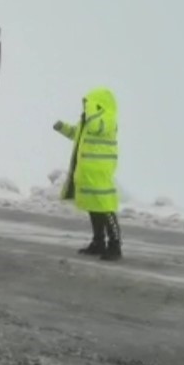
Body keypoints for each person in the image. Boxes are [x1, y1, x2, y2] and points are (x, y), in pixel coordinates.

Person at [53, 87, 122, 260]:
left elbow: (96, 126)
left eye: (87, 103)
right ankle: (98, 242)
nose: (84, 107)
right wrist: (62, 128)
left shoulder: (107, 118)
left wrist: (91, 108)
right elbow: (77, 135)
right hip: (88, 171)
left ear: (98, 104)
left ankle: (115, 245)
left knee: (105, 207)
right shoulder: (89, 121)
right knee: (94, 207)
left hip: (100, 171)